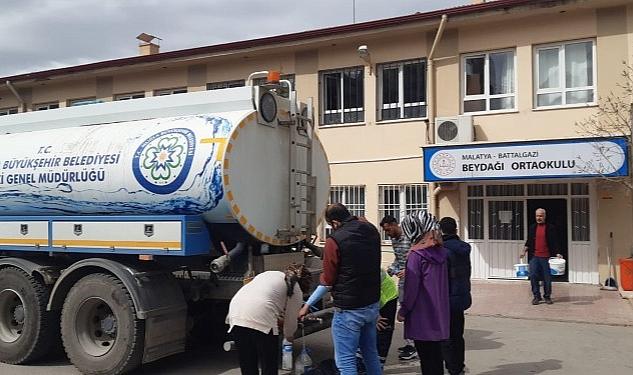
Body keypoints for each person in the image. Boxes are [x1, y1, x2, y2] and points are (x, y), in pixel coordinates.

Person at [300, 203, 382, 375]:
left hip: (349, 309)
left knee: (345, 362)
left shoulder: (335, 240)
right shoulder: (371, 230)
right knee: (370, 354)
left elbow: (328, 280)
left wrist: (307, 304)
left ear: (335, 222)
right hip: (371, 304)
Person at [226, 263, 311, 375]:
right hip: (261, 317)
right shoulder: (296, 288)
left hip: (236, 313)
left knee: (247, 363)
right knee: (268, 364)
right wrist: (288, 338)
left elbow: (264, 297)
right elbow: (290, 325)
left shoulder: (269, 274)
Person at [397, 211, 449, 375]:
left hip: (421, 315)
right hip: (439, 313)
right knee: (436, 358)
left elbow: (411, 289)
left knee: (426, 361)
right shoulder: (441, 252)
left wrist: (403, 310)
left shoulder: (416, 256)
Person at [379, 215, 416, 361]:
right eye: (385, 232)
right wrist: (391, 269)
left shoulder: (410, 237)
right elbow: (398, 258)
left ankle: (414, 346)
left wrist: (409, 270)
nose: (388, 234)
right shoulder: (394, 240)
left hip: (414, 279)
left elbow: (418, 258)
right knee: (404, 310)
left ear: (394, 224)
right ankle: (410, 342)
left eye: (388, 230)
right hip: (402, 281)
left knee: (409, 311)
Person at [439, 217, 472, 375]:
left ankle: (452, 368)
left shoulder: (442, 250)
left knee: (446, 337)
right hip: (461, 296)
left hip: (446, 299)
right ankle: (459, 367)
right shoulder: (464, 248)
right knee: (458, 335)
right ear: (456, 229)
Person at [356, 269, 399, 373]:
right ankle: (361, 363)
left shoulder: (365, 269)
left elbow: (376, 294)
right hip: (370, 297)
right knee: (364, 330)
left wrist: (376, 315)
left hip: (386, 298)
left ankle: (378, 365)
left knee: (382, 331)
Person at [521, 208, 562, 305]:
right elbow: (529, 241)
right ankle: (536, 296)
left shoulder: (550, 227)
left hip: (546, 257)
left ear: (544, 216)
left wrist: (558, 253)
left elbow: (554, 241)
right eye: (537, 216)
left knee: (547, 278)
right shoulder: (532, 227)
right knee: (533, 276)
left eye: (541, 216)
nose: (539, 218)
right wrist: (524, 251)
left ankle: (547, 296)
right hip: (534, 257)